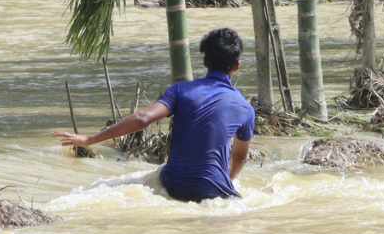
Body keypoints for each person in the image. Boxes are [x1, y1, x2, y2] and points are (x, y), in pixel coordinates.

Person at [54, 28, 256, 202]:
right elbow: (239, 157)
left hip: (174, 185)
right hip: (216, 193)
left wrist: (90, 139)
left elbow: (143, 119)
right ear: (237, 66)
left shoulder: (181, 91)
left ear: (205, 61)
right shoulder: (245, 109)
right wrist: (226, 179)